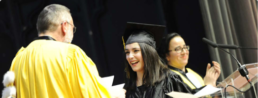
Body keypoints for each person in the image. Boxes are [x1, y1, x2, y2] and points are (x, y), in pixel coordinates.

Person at [1, 4, 122, 98]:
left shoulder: (18, 60)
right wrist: (115, 94)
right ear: (65, 26)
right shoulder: (71, 54)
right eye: (73, 28)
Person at [122, 22, 193, 98]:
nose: (130, 56)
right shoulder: (128, 90)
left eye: (135, 50)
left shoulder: (169, 80)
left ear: (149, 53)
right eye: (127, 52)